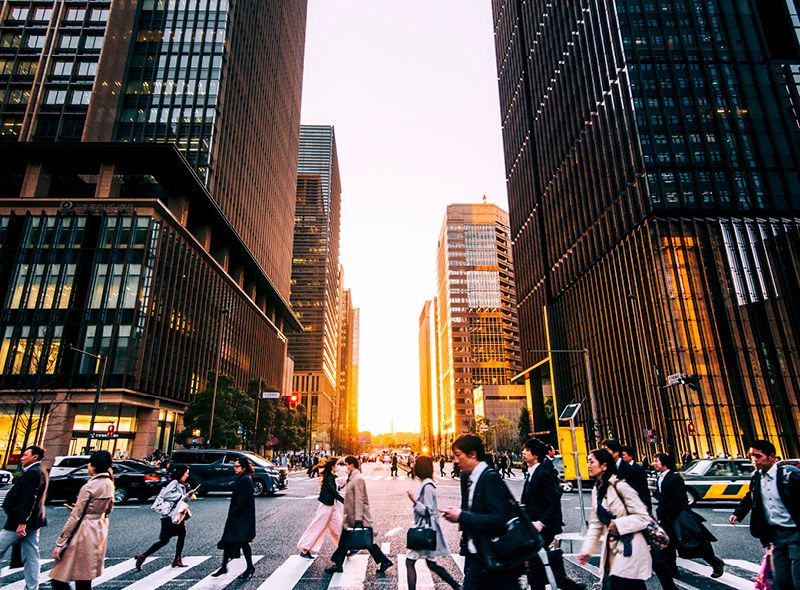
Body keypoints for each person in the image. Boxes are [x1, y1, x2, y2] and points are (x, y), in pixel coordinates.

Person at [440, 434, 522, 589]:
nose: (455, 461)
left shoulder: (489, 478)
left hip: (495, 558)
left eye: (458, 455)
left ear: (472, 454)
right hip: (481, 557)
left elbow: (498, 520)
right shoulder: (472, 478)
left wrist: (461, 516)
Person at [578, 449, 652, 590]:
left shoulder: (620, 486)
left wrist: (619, 524)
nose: (588, 465)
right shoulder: (597, 490)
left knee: (622, 584)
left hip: (631, 547)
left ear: (604, 466)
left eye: (591, 461)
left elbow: (643, 517)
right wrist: (587, 550)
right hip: (613, 551)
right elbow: (595, 523)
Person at [731, 440, 800, 590]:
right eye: (752, 456)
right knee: (781, 581)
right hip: (775, 535)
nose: (754, 460)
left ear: (772, 457)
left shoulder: (788, 476)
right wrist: (738, 513)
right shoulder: (756, 476)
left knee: (798, 579)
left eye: (758, 456)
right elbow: (751, 496)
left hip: (796, 533)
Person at [652, 453, 724, 587]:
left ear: (664, 463)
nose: (654, 464)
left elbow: (682, 497)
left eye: (656, 461)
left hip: (678, 517)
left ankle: (715, 562)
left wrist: (685, 515)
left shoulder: (674, 477)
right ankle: (672, 570)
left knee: (695, 543)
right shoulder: (659, 477)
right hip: (666, 518)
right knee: (667, 544)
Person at [521, 438, 584, 590]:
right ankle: (570, 587)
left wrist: (541, 523)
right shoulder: (532, 473)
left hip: (544, 527)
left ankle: (570, 587)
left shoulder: (543, 474)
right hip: (534, 526)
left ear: (535, 455)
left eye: (527, 450)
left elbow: (554, 502)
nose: (523, 452)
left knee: (535, 563)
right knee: (538, 565)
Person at [49, 450, 114, 590]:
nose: (87, 466)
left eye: (89, 464)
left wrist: (60, 542)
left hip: (82, 531)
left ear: (94, 466)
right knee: (84, 576)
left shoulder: (89, 486)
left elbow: (75, 516)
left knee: (59, 577)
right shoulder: (109, 483)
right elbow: (109, 509)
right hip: (98, 529)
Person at [325, 456, 392, 575]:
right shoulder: (353, 477)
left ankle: (384, 561)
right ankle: (338, 564)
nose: (345, 467)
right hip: (351, 515)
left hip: (357, 516)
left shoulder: (358, 478)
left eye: (346, 464)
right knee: (347, 541)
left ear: (351, 465)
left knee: (365, 541)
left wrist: (358, 520)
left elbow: (359, 500)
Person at [404, 456, 460, 589]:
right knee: (431, 564)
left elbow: (427, 511)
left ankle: (457, 586)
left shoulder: (427, 486)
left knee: (410, 562)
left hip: (424, 530)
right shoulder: (426, 484)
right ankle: (456, 586)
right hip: (427, 529)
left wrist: (414, 500)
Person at [0, 445, 48, 590]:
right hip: (33, 521)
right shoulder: (40, 471)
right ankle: (32, 587)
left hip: (19, 522)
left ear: (34, 457)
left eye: (25, 455)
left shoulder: (32, 473)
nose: (22, 458)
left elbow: (29, 499)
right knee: (31, 555)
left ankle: (32, 587)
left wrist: (22, 522)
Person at [135, 465, 194, 570]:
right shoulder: (174, 483)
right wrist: (182, 496)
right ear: (181, 473)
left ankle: (177, 559)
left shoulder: (182, 484)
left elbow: (182, 501)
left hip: (177, 515)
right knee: (164, 540)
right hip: (169, 516)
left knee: (182, 534)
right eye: (186, 473)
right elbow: (166, 495)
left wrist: (188, 495)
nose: (187, 475)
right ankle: (143, 556)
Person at [213, 456, 256, 579]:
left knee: (242, 542)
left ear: (243, 467)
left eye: (237, 466)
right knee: (229, 541)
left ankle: (249, 567)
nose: (234, 468)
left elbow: (242, 500)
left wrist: (234, 512)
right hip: (240, 517)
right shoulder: (244, 477)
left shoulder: (245, 479)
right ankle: (224, 567)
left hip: (241, 518)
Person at [297, 457, 344, 559]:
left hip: (332, 507)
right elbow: (333, 492)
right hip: (326, 507)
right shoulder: (328, 478)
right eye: (337, 464)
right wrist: (344, 501)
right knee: (317, 527)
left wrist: (341, 486)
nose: (338, 467)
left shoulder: (331, 476)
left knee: (339, 527)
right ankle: (304, 549)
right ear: (332, 466)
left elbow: (334, 489)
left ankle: (346, 547)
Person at [602, 439, 652, 513]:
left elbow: (641, 490)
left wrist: (647, 509)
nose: (604, 453)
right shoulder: (606, 469)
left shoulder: (630, 469)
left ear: (616, 452)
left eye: (607, 450)